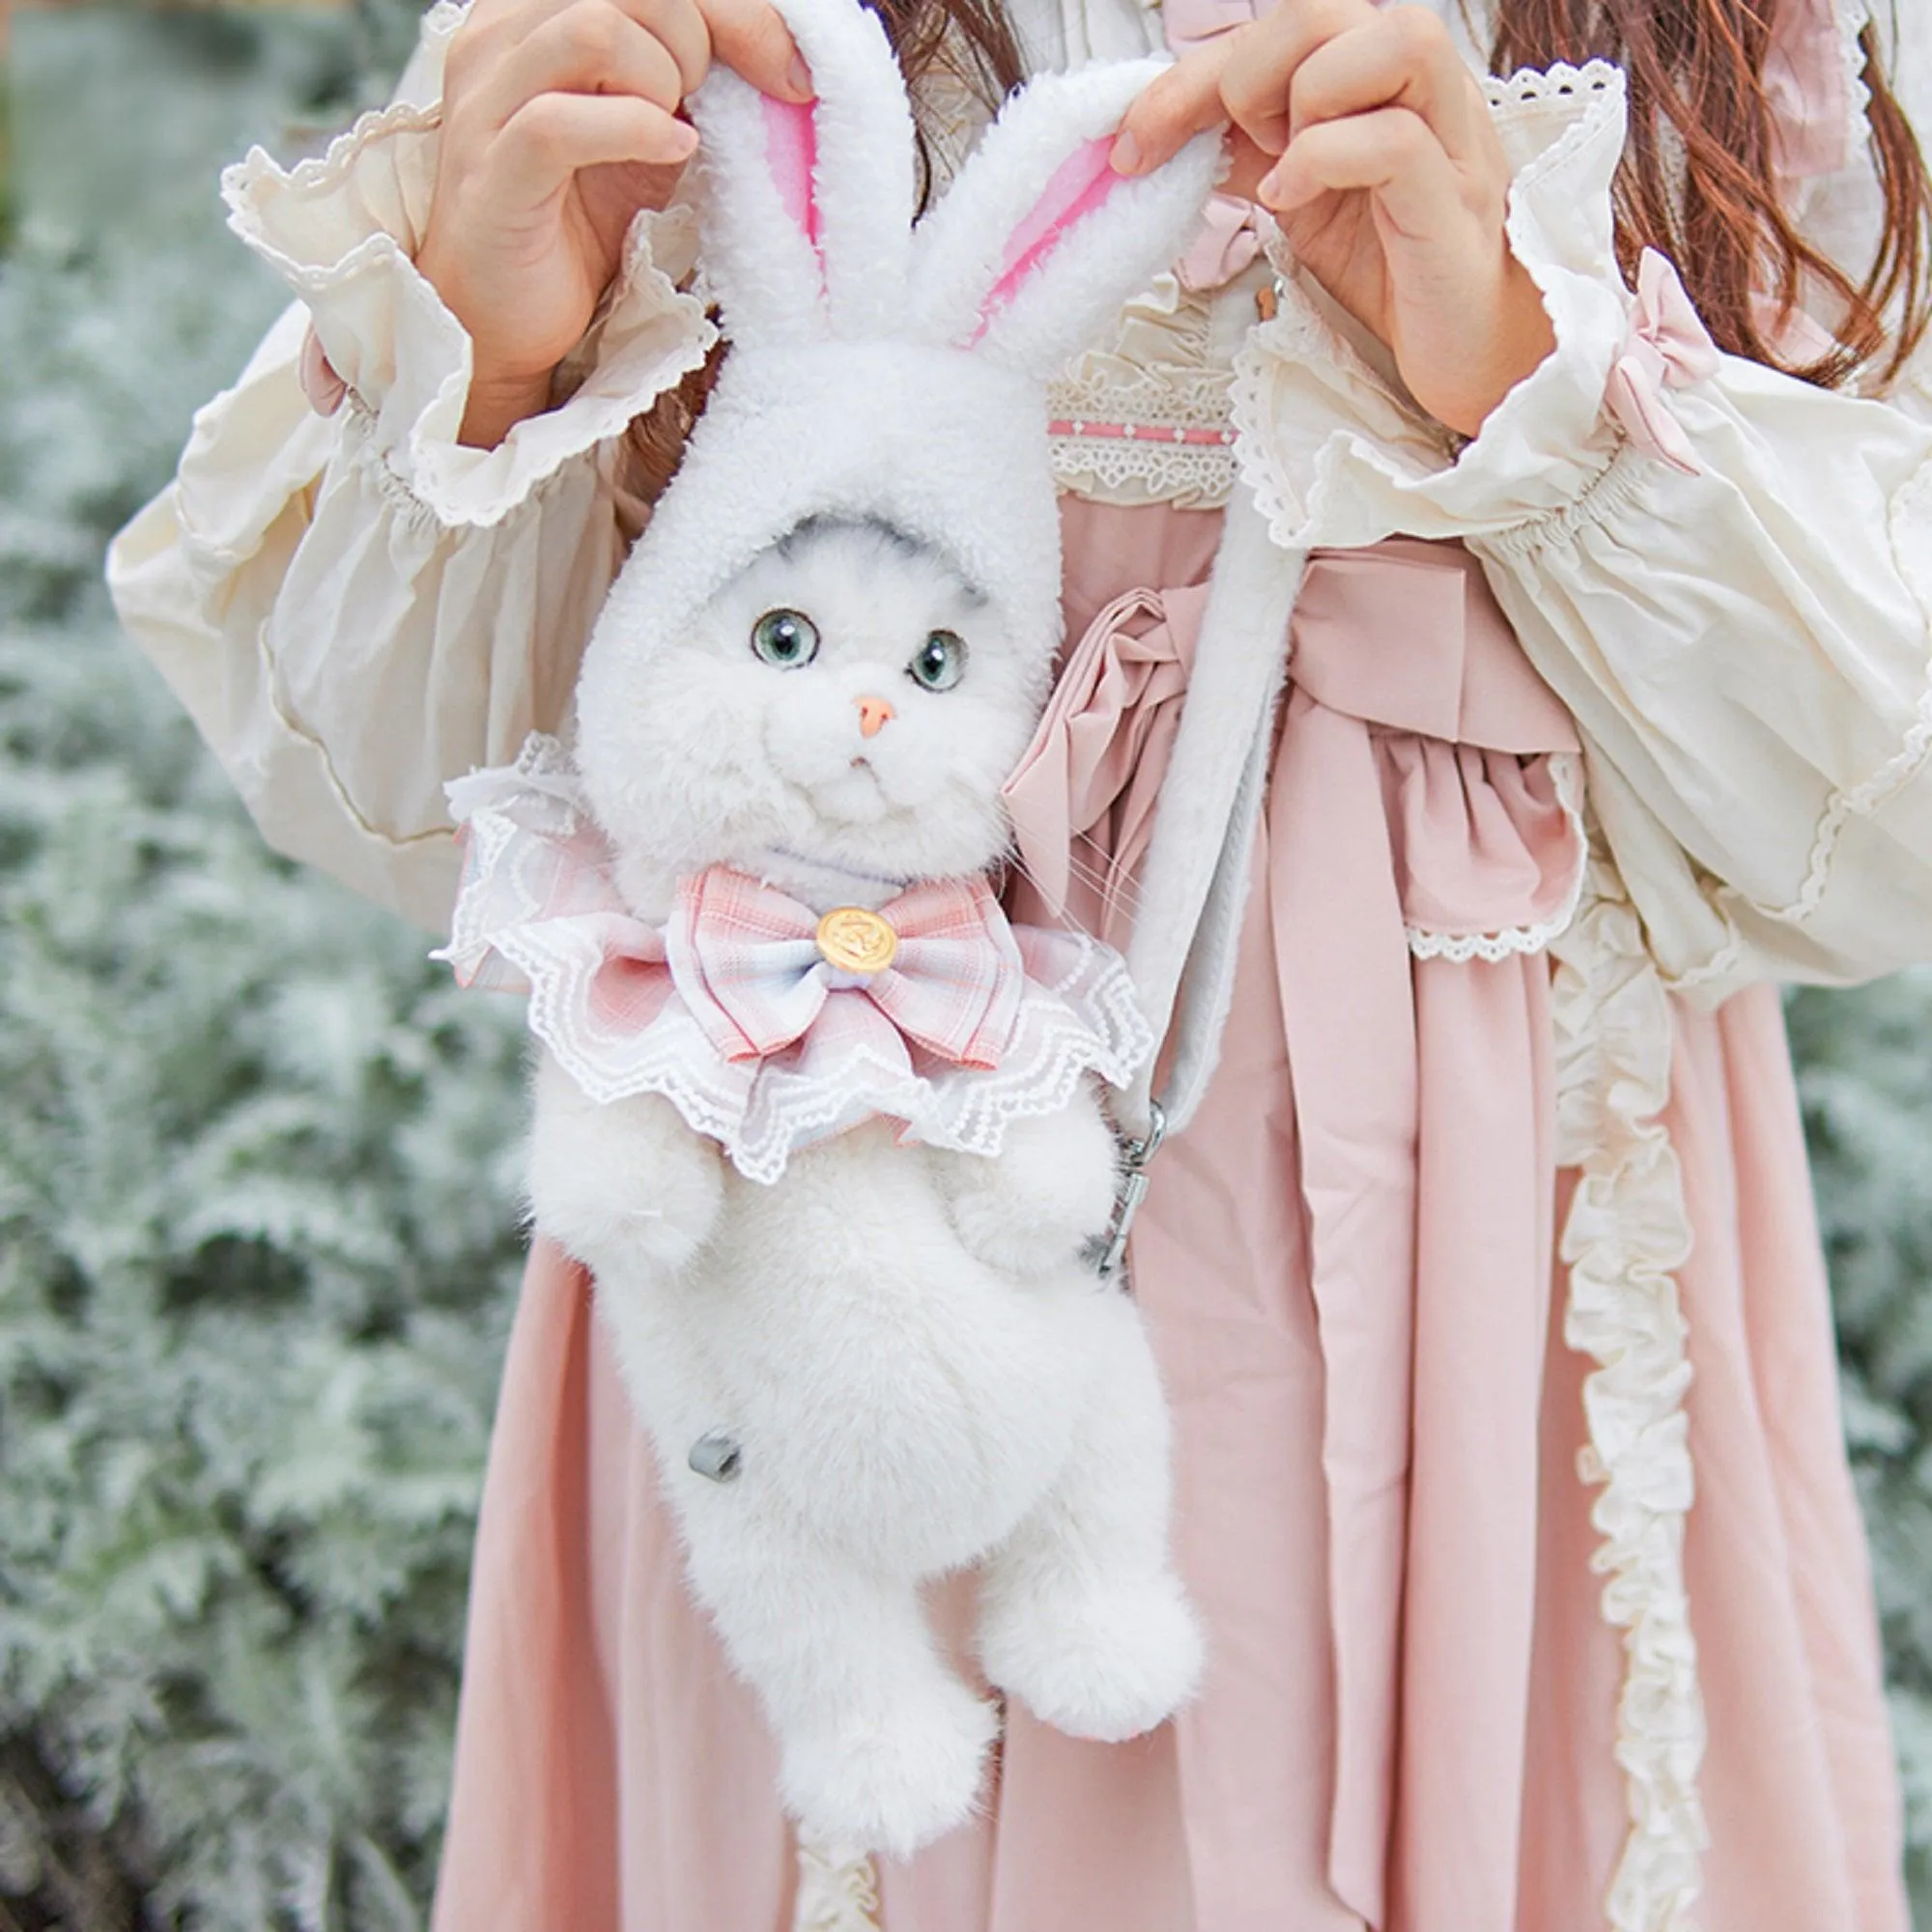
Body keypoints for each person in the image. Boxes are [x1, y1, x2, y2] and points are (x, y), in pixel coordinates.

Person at [106, 0, 1932, 1925]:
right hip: (811, 1192)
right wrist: (497, 354)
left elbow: (1871, 824)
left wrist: (1530, 392)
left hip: (1483, 1262)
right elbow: (398, 785)